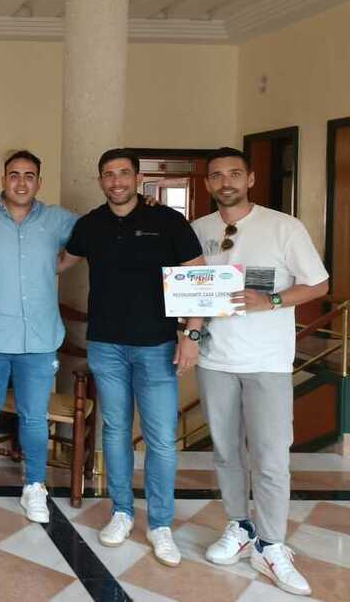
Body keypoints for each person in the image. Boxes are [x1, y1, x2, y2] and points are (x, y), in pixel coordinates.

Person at [193, 147, 328, 597]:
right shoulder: (198, 231)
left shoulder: (284, 227)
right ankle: (240, 525)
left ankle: (271, 545)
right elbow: (191, 294)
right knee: (226, 452)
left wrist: (269, 300)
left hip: (267, 362)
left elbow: (320, 283)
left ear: (250, 178)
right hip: (215, 360)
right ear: (208, 183)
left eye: (234, 173)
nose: (225, 181)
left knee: (271, 459)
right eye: (216, 175)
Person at [63, 148, 204, 567]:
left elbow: (198, 274)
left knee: (161, 438)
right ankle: (122, 512)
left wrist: (191, 335)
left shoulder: (167, 221)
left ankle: (160, 523)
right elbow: (57, 262)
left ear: (137, 177)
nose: (117, 181)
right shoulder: (90, 224)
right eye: (108, 174)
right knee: (115, 430)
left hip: (157, 346)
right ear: (100, 179)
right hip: (106, 345)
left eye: (124, 173)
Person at [0, 150, 78, 523]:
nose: (21, 182)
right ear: (3, 178)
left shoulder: (58, 219)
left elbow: (95, 238)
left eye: (29, 175)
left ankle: (34, 488)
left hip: (40, 339)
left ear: (39, 182)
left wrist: (60, 264)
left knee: (33, 418)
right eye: (14, 174)